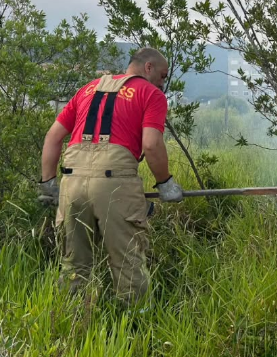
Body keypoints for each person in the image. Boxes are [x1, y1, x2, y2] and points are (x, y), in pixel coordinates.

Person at [38, 47, 183, 306]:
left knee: (75, 265)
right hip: (115, 182)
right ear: (148, 68)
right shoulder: (151, 94)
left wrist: (48, 183)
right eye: (162, 75)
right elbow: (151, 144)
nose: (163, 83)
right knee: (127, 262)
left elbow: (53, 137)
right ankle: (133, 330)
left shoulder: (87, 89)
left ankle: (70, 327)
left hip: (72, 180)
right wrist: (165, 183)